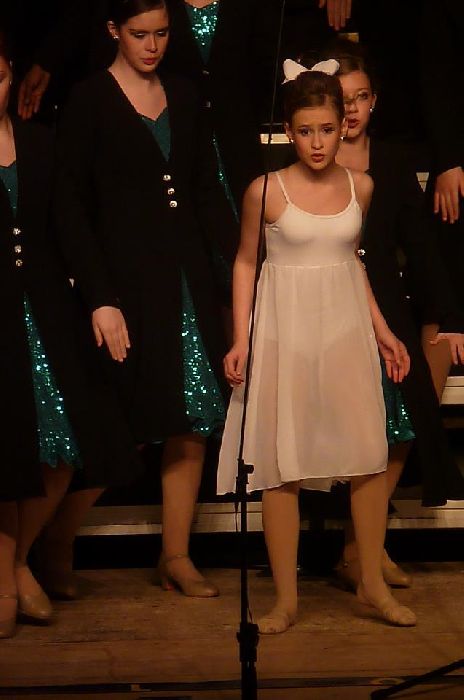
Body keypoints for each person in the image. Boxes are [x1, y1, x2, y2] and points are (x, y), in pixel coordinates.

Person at [217, 58, 416, 634]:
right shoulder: (267, 191)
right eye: (305, 131)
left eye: (327, 129)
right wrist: (240, 337)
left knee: (367, 457)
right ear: (288, 130)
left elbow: (352, 264)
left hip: (344, 334)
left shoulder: (361, 187)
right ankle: (285, 599)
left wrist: (382, 330)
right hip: (286, 336)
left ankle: (372, 583)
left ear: (342, 124)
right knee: (283, 466)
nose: (317, 142)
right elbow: (246, 262)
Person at [54, 0, 236, 598]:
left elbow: (204, 191)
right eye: (139, 34)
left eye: (161, 33)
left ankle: (175, 555)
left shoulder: (183, 93)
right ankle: (54, 545)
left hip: (185, 279)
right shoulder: (88, 99)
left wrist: (235, 272)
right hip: (124, 286)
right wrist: (99, 297)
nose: (152, 45)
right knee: (120, 423)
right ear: (114, 30)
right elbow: (70, 208)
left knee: (192, 416)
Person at [0, 30, 141, 639]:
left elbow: (71, 226)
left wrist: (103, 300)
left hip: (46, 309)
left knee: (65, 445)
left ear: (12, 74)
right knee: (9, 449)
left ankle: (17, 559)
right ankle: (9, 576)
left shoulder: (38, 141)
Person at [313, 39, 464, 591]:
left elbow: (420, 245)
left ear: (374, 101)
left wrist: (450, 316)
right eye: (342, 99)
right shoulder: (314, 157)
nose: (351, 109)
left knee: (403, 412)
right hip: (330, 307)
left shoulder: (393, 160)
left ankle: (363, 548)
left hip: (385, 302)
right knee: (359, 426)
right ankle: (362, 549)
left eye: (360, 98)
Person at [420, 0, 464, 398]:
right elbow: (438, 76)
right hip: (457, 162)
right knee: (443, 292)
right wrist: (450, 160)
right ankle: (425, 425)